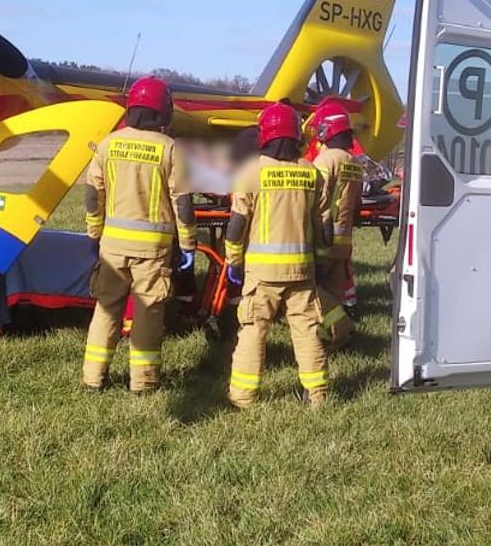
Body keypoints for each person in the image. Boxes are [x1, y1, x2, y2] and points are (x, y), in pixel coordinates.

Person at [79, 76, 197, 394]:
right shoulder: (169, 149)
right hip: (154, 252)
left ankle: (93, 378)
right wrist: (188, 245)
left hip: (112, 247)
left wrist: (94, 233)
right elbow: (183, 202)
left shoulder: (108, 144)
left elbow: (93, 194)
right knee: (148, 313)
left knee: (106, 310)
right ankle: (142, 383)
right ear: (163, 112)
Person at [223, 102, 332, 409]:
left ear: (265, 136)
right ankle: (318, 395)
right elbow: (324, 225)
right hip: (302, 271)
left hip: (262, 274)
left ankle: (242, 398)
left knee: (254, 331)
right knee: (307, 330)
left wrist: (234, 261)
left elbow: (236, 225)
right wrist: (322, 260)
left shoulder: (251, 172)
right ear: (296, 135)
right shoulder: (312, 174)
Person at [307, 100, 363, 351]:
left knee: (313, 291)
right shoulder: (354, 162)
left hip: (323, 238)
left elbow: (315, 199)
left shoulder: (325, 161)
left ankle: (342, 328)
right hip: (344, 240)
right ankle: (328, 340)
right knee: (333, 291)